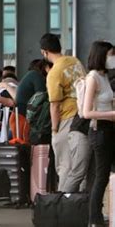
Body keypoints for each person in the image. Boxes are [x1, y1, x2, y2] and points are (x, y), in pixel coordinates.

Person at [40, 33, 87, 192]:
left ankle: (64, 204)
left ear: (44, 52)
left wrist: (54, 130)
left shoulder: (54, 73)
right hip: (83, 116)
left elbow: (54, 105)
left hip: (67, 118)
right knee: (80, 164)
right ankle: (81, 203)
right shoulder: (75, 61)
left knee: (65, 166)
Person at [82, 41, 115, 227]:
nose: (113, 59)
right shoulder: (93, 77)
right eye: (111, 55)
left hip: (109, 129)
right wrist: (112, 114)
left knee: (104, 175)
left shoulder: (104, 76)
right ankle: (94, 219)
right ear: (102, 56)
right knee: (101, 176)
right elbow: (87, 112)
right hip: (99, 130)